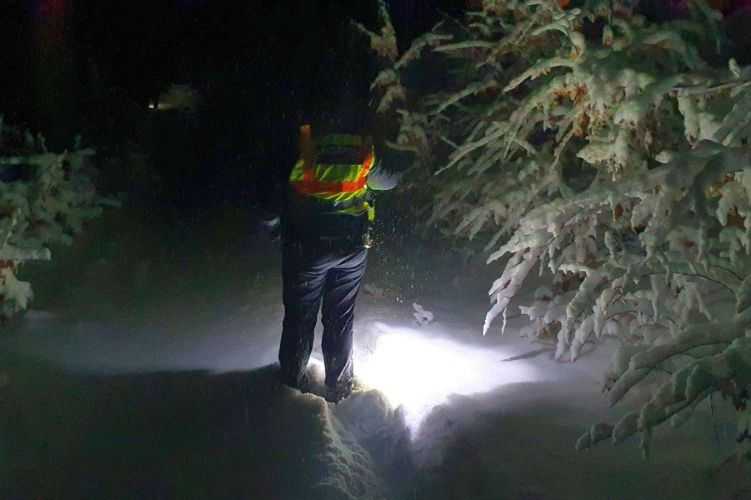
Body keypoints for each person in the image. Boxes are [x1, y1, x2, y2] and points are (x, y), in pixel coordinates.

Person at [274, 105, 408, 403]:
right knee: (340, 317)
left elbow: (274, 188)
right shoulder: (361, 144)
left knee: (299, 317)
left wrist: (271, 222)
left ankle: (291, 388)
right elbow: (388, 180)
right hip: (351, 248)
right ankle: (339, 386)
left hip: (305, 248)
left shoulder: (301, 142)